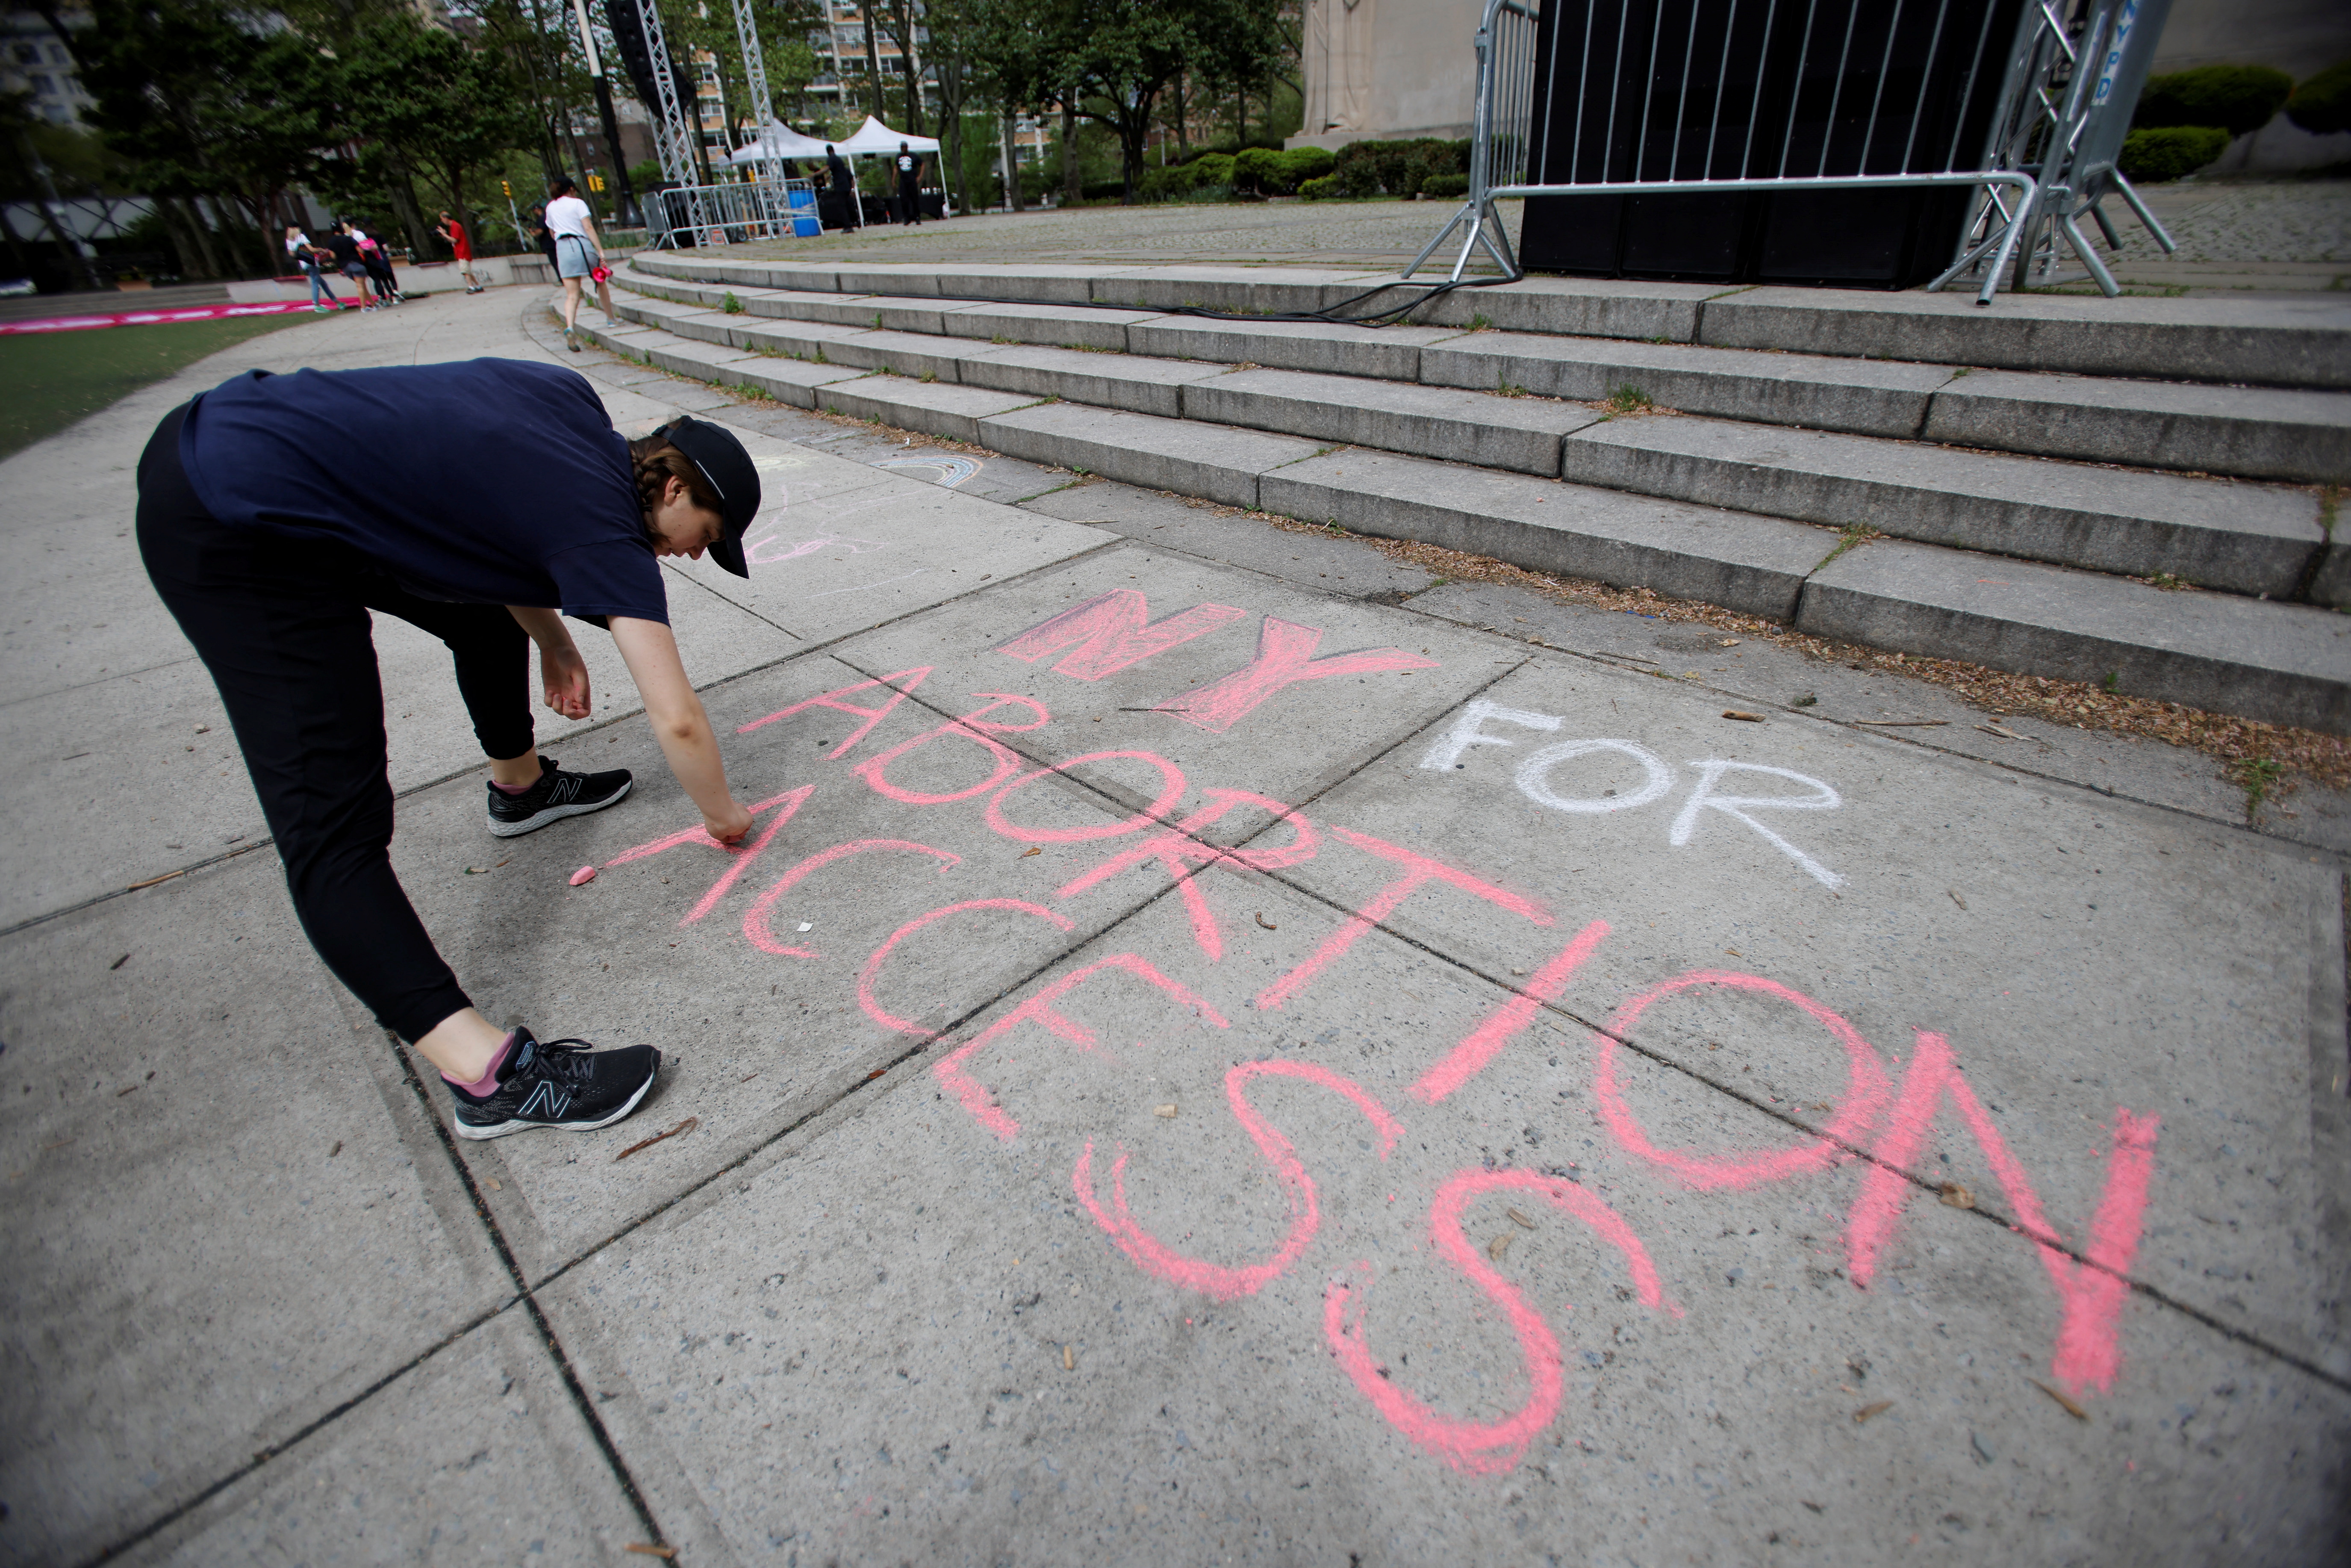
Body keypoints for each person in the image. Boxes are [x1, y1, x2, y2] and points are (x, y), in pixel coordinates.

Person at [136, 360, 766, 1138]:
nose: (696, 555)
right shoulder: (607, 528)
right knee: (336, 828)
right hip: (236, 523)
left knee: (476, 614)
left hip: (261, 443)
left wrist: (552, 637)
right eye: (706, 537)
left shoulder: (567, 402)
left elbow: (485, 515)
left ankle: (521, 787)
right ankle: (487, 1074)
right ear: (674, 490)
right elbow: (676, 717)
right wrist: (724, 813)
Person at [545, 176, 618, 351]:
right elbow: (588, 228)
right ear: (571, 189)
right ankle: (610, 318)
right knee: (599, 281)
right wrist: (600, 251)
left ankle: (570, 327)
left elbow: (552, 233)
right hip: (581, 244)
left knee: (572, 294)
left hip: (563, 248)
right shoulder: (578, 203)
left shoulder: (551, 207)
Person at [323, 221, 380, 312]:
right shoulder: (348, 239)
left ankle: (373, 305)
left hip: (345, 267)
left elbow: (333, 256)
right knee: (361, 286)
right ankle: (364, 307)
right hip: (356, 264)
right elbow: (361, 251)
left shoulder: (331, 241)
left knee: (361, 286)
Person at [285, 224, 339, 313]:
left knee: (323, 283)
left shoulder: (289, 240)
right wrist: (322, 250)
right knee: (316, 283)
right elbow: (312, 250)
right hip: (312, 263)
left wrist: (302, 256)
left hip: (304, 264)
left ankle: (337, 302)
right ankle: (317, 305)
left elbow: (292, 254)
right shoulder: (301, 237)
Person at [352, 223, 403, 305]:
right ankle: (393, 296)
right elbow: (379, 248)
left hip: (367, 263)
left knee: (377, 281)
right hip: (376, 260)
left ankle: (382, 299)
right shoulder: (372, 240)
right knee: (385, 279)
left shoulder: (356, 242)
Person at [436, 209, 484, 293]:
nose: (442, 221)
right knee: (468, 271)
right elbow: (452, 240)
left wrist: (444, 235)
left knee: (465, 271)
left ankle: (471, 287)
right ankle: (478, 286)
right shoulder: (454, 226)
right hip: (461, 251)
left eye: (442, 219)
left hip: (462, 251)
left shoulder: (455, 226)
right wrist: (444, 236)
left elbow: (455, 240)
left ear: (446, 218)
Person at [824, 143, 860, 231]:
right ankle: (854, 222)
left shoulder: (832, 159)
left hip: (841, 186)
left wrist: (815, 174)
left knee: (842, 207)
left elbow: (827, 168)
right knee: (848, 206)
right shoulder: (840, 163)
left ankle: (848, 226)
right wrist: (852, 189)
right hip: (846, 187)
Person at [894, 141, 922, 227]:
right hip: (903, 181)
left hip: (912, 180)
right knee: (904, 200)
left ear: (907, 147)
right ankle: (906, 218)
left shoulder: (913, 156)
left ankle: (917, 217)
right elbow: (896, 168)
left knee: (914, 199)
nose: (903, 149)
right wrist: (893, 179)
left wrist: (920, 176)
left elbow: (922, 164)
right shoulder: (899, 156)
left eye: (904, 147)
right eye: (902, 147)